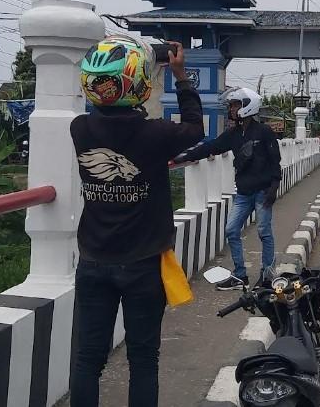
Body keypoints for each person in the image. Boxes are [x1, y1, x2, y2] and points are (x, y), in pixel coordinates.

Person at [70, 37, 204, 407]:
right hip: (144, 264)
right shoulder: (157, 134)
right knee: (143, 360)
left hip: (93, 261)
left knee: (87, 359)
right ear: (139, 82)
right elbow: (195, 129)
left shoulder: (80, 129)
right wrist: (179, 75)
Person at [176, 87, 282, 290]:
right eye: (231, 105)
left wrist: (274, 188)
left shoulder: (264, 132)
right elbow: (211, 147)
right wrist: (185, 156)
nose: (231, 109)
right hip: (243, 193)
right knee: (231, 230)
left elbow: (275, 161)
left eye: (235, 105)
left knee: (264, 233)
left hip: (263, 192)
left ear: (247, 106)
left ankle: (268, 275)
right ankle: (240, 275)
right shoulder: (233, 134)